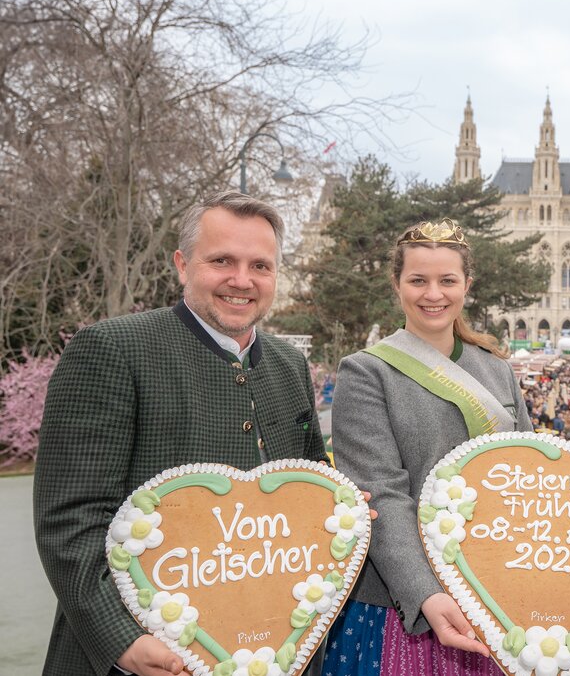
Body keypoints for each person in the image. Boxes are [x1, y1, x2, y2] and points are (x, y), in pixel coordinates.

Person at [34, 192, 329, 676]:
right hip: (144, 658)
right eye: (222, 261)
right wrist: (122, 640)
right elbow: (70, 519)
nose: (242, 280)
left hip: (271, 648)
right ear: (182, 264)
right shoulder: (111, 350)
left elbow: (308, 482)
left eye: (261, 265)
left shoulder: (289, 364)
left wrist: (340, 508)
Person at [322, 218, 533, 675]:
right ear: (397, 284)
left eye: (447, 281)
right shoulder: (366, 372)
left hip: (494, 592)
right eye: (418, 280)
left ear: (467, 286)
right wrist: (427, 592)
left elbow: (529, 479)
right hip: (406, 605)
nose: (433, 293)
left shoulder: (498, 371)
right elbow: (380, 493)